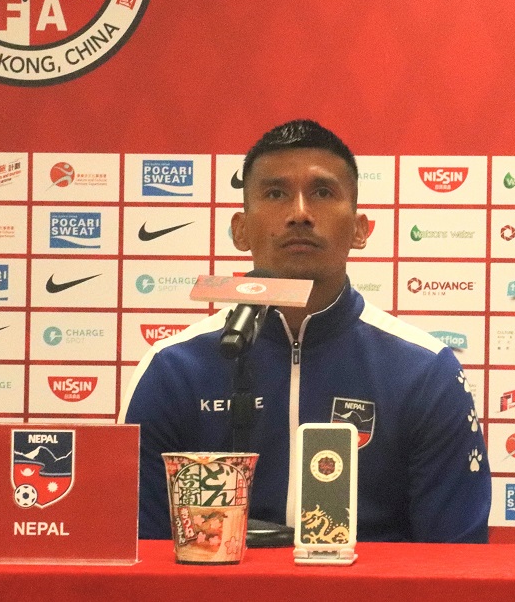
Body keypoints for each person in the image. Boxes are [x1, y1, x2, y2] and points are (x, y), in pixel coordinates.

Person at [119, 119, 491, 543]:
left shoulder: (425, 372)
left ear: (360, 229)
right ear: (240, 230)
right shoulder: (173, 370)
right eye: (275, 194)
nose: (299, 213)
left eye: (323, 192)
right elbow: (138, 551)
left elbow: (454, 559)